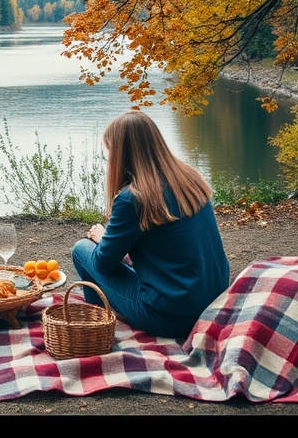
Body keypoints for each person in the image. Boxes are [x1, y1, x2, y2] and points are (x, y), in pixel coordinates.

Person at [71, 110, 230, 339]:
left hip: (169, 318)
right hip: (214, 306)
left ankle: (95, 325)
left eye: (109, 152)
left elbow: (102, 265)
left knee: (81, 250)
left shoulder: (133, 198)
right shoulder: (190, 179)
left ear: (120, 154)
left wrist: (103, 239)